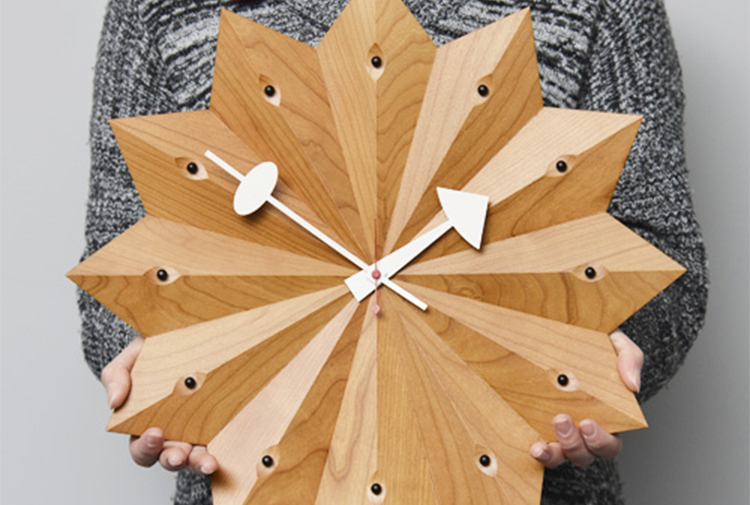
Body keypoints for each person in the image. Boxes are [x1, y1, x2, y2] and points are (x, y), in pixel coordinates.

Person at [79, 0, 708, 503]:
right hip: (255, 476)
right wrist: (155, 381)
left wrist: (598, 359)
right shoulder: (159, 8)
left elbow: (660, 249)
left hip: (526, 477)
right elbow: (122, 264)